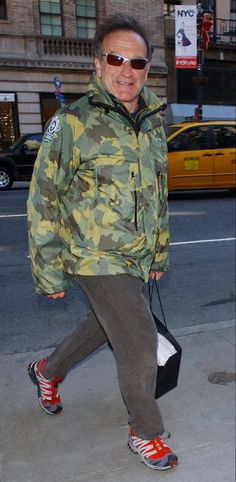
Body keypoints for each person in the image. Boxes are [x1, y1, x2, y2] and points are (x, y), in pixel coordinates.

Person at [27, 13, 178, 471]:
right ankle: (145, 432)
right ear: (98, 64)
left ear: (147, 69)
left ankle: (47, 372)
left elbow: (158, 192)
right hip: (92, 254)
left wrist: (159, 250)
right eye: (116, 58)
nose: (126, 70)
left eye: (136, 62)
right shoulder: (72, 122)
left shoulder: (153, 121)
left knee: (102, 325)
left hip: (134, 257)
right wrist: (48, 269)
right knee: (136, 338)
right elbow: (43, 197)